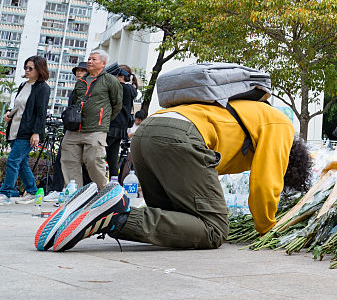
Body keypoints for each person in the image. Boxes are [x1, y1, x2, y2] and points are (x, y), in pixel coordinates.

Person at [40, 98, 312, 252]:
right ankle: (114, 217)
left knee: (178, 223)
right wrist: (267, 228)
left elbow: (200, 176)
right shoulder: (281, 124)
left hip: (147, 134)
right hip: (179, 137)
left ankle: (85, 210)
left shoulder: (244, 112)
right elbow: (265, 184)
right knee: (214, 230)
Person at [60, 50, 122, 189]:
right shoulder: (81, 81)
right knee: (69, 160)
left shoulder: (110, 81)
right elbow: (75, 101)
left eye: (94, 59)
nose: (89, 61)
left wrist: (103, 119)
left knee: (93, 160)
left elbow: (117, 105)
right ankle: (74, 193)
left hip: (96, 129)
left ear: (103, 63)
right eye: (89, 59)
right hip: (75, 128)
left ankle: (103, 191)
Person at [1, 56, 50, 203]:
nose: (27, 70)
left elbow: (41, 113)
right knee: (22, 163)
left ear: (39, 70)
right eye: (25, 67)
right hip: (15, 129)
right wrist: (9, 114)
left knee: (12, 161)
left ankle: (6, 193)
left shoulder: (43, 88)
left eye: (30, 68)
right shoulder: (23, 85)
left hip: (28, 132)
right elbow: (19, 107)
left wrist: (36, 133)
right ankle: (32, 191)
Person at [105, 65, 138, 182]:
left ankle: (96, 184)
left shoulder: (120, 87)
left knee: (96, 156)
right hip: (121, 128)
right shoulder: (130, 89)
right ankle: (114, 184)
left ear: (120, 75)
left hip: (112, 126)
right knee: (112, 159)